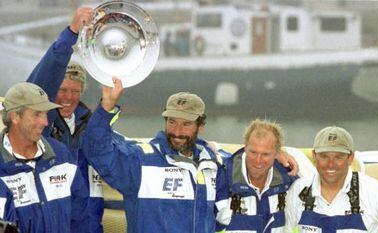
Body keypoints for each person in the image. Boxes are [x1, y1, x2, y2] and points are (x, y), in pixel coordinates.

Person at [81, 80, 228, 232]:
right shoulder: (141, 161)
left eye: (186, 124)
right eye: (172, 122)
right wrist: (106, 108)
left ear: (201, 126)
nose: (177, 132)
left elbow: (222, 220)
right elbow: (97, 151)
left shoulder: (212, 165)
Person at [25, 7, 104, 233]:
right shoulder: (42, 126)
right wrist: (71, 33)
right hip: (51, 221)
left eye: (75, 91)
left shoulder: (93, 126)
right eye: (63, 89)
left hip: (87, 225)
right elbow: (43, 79)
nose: (69, 97)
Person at [285, 126, 378, 232]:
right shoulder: (298, 191)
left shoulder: (375, 191)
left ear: (351, 158)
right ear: (314, 156)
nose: (331, 164)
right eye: (324, 156)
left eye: (338, 157)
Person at [0, 82, 89, 233]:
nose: (45, 122)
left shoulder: (61, 155)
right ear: (15, 117)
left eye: (46, 114)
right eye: (37, 114)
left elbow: (81, 218)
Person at [215, 119, 297, 233]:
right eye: (253, 152)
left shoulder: (290, 180)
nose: (258, 161)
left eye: (265, 154)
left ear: (277, 153)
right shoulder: (221, 177)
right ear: (245, 148)